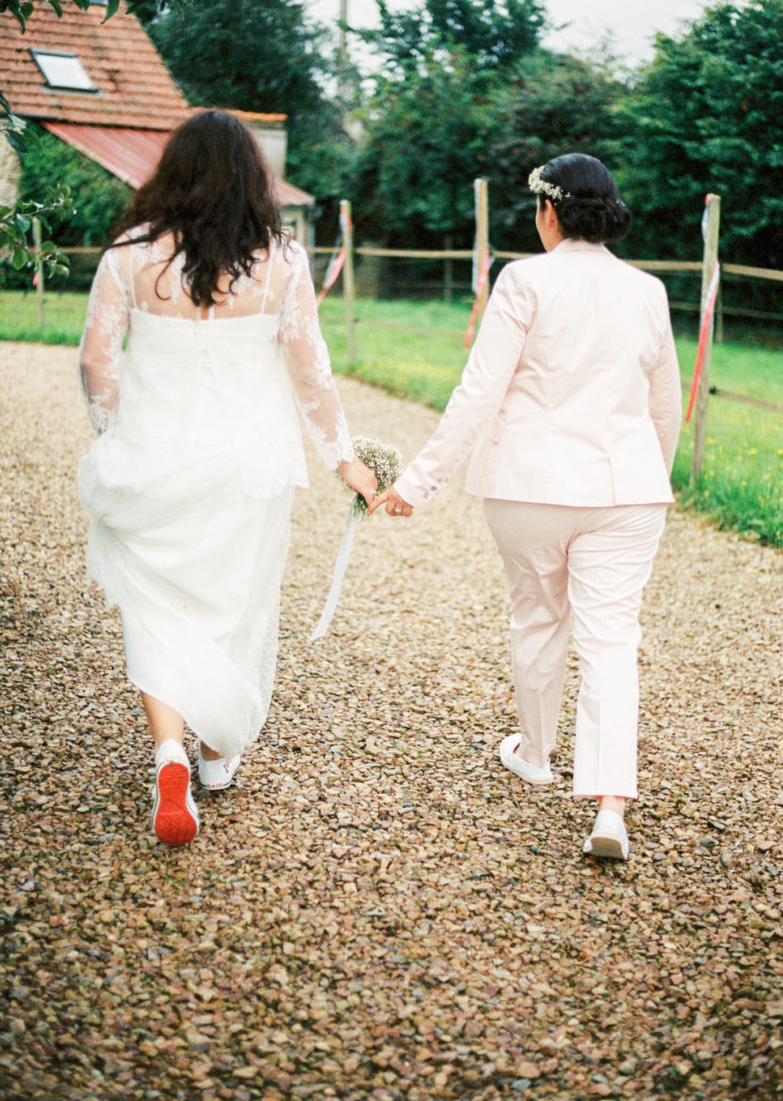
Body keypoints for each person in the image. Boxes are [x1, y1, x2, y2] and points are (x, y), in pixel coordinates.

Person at [78, 110, 376, 847]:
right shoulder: (282, 261)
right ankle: (215, 759)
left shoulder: (128, 256)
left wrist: (114, 428)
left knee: (155, 606)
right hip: (250, 465)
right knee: (234, 607)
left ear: (173, 171)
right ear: (254, 177)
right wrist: (344, 455)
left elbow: (94, 360)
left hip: (152, 456)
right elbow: (311, 370)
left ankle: (169, 750)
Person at [372, 154, 681, 861]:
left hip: (529, 487)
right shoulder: (648, 291)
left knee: (538, 614)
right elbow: (666, 403)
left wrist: (418, 482)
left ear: (549, 211)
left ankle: (538, 756)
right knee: (611, 641)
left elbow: (479, 391)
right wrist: (645, 479)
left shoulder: (524, 280)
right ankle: (609, 807)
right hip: (627, 490)